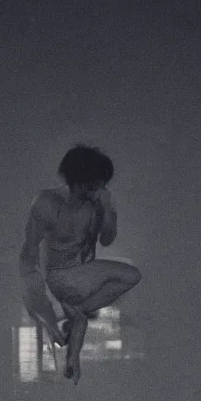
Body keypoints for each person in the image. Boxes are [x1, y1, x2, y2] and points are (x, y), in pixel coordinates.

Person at [19, 144, 142, 384]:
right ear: (81, 180)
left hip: (82, 276)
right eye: (96, 182)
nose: (101, 188)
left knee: (80, 319)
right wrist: (41, 308)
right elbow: (28, 255)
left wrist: (107, 209)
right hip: (61, 276)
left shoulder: (97, 204)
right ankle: (68, 314)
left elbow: (107, 239)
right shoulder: (49, 202)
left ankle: (72, 357)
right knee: (130, 275)